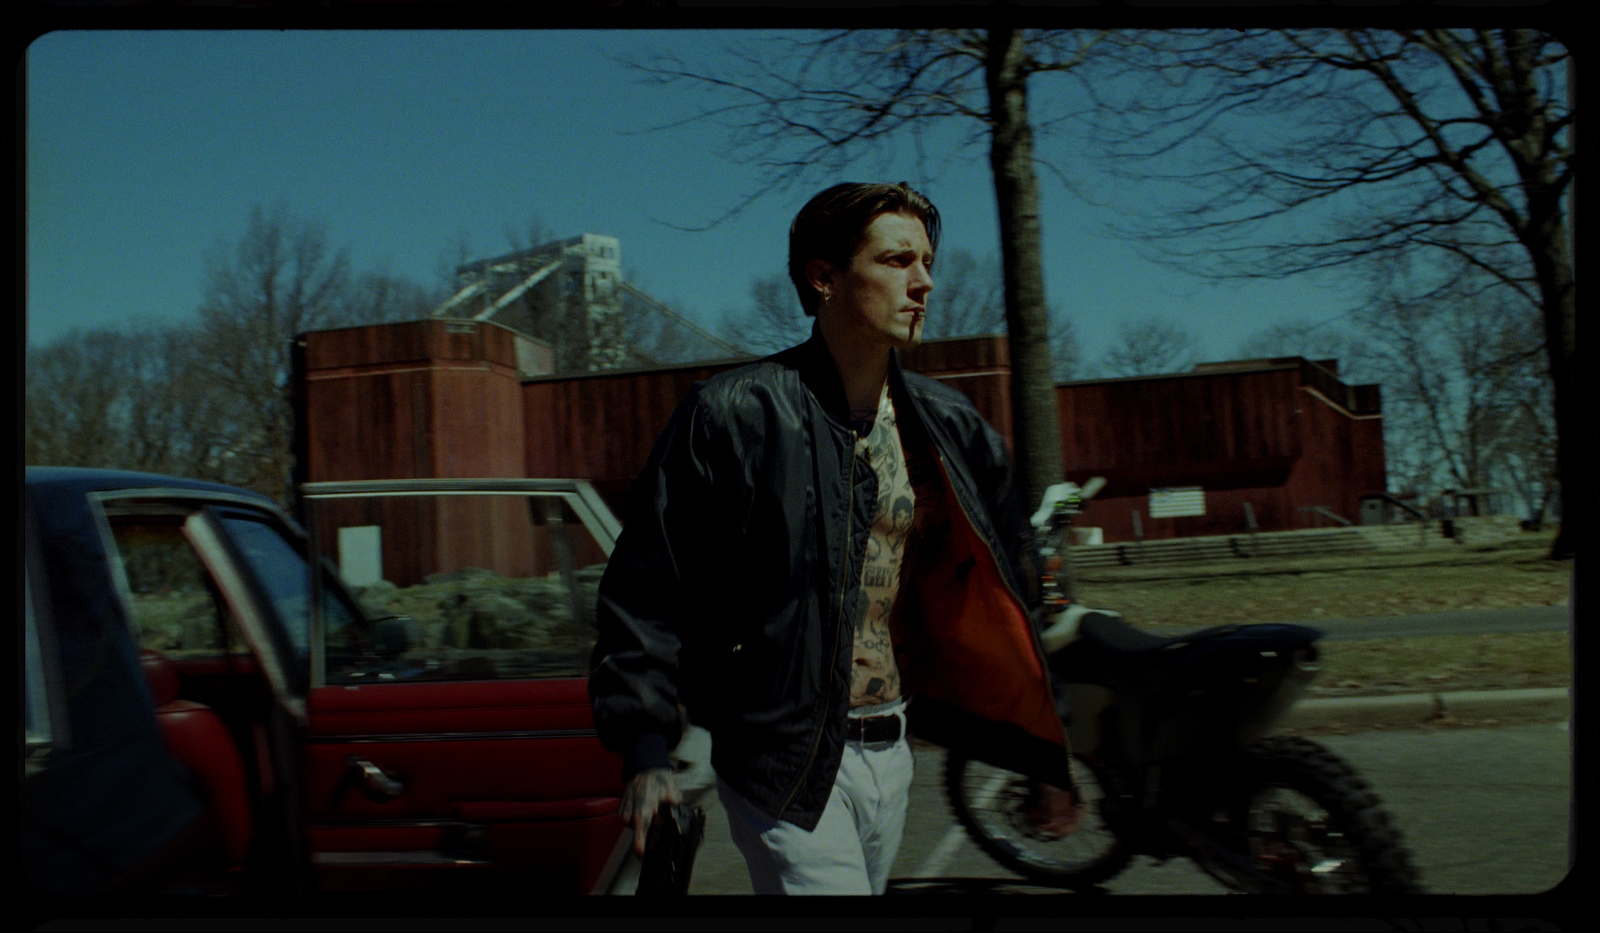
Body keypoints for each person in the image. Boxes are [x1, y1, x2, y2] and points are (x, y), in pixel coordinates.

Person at [589, 181, 1079, 896]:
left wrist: (1044, 751)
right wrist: (645, 748)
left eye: (928, 261)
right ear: (824, 276)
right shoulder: (734, 414)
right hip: (779, 757)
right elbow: (647, 590)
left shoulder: (949, 426)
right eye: (896, 260)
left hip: (894, 745)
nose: (924, 282)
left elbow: (1012, 594)